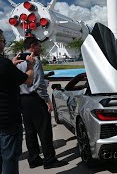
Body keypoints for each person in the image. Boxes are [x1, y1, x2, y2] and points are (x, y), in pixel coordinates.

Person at [17, 37, 67, 169]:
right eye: (39, 46)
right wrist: (47, 100)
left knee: (30, 131)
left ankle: (33, 159)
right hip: (35, 98)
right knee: (44, 130)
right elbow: (38, 84)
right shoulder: (35, 61)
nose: (41, 48)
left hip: (23, 100)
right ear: (33, 47)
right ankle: (49, 160)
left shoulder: (17, 61)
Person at [0, 29, 35, 174]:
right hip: (7, 121)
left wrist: (11, 66)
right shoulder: (4, 64)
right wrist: (31, 66)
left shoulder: (6, 65)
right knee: (9, 159)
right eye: (3, 41)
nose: (4, 43)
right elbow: (28, 80)